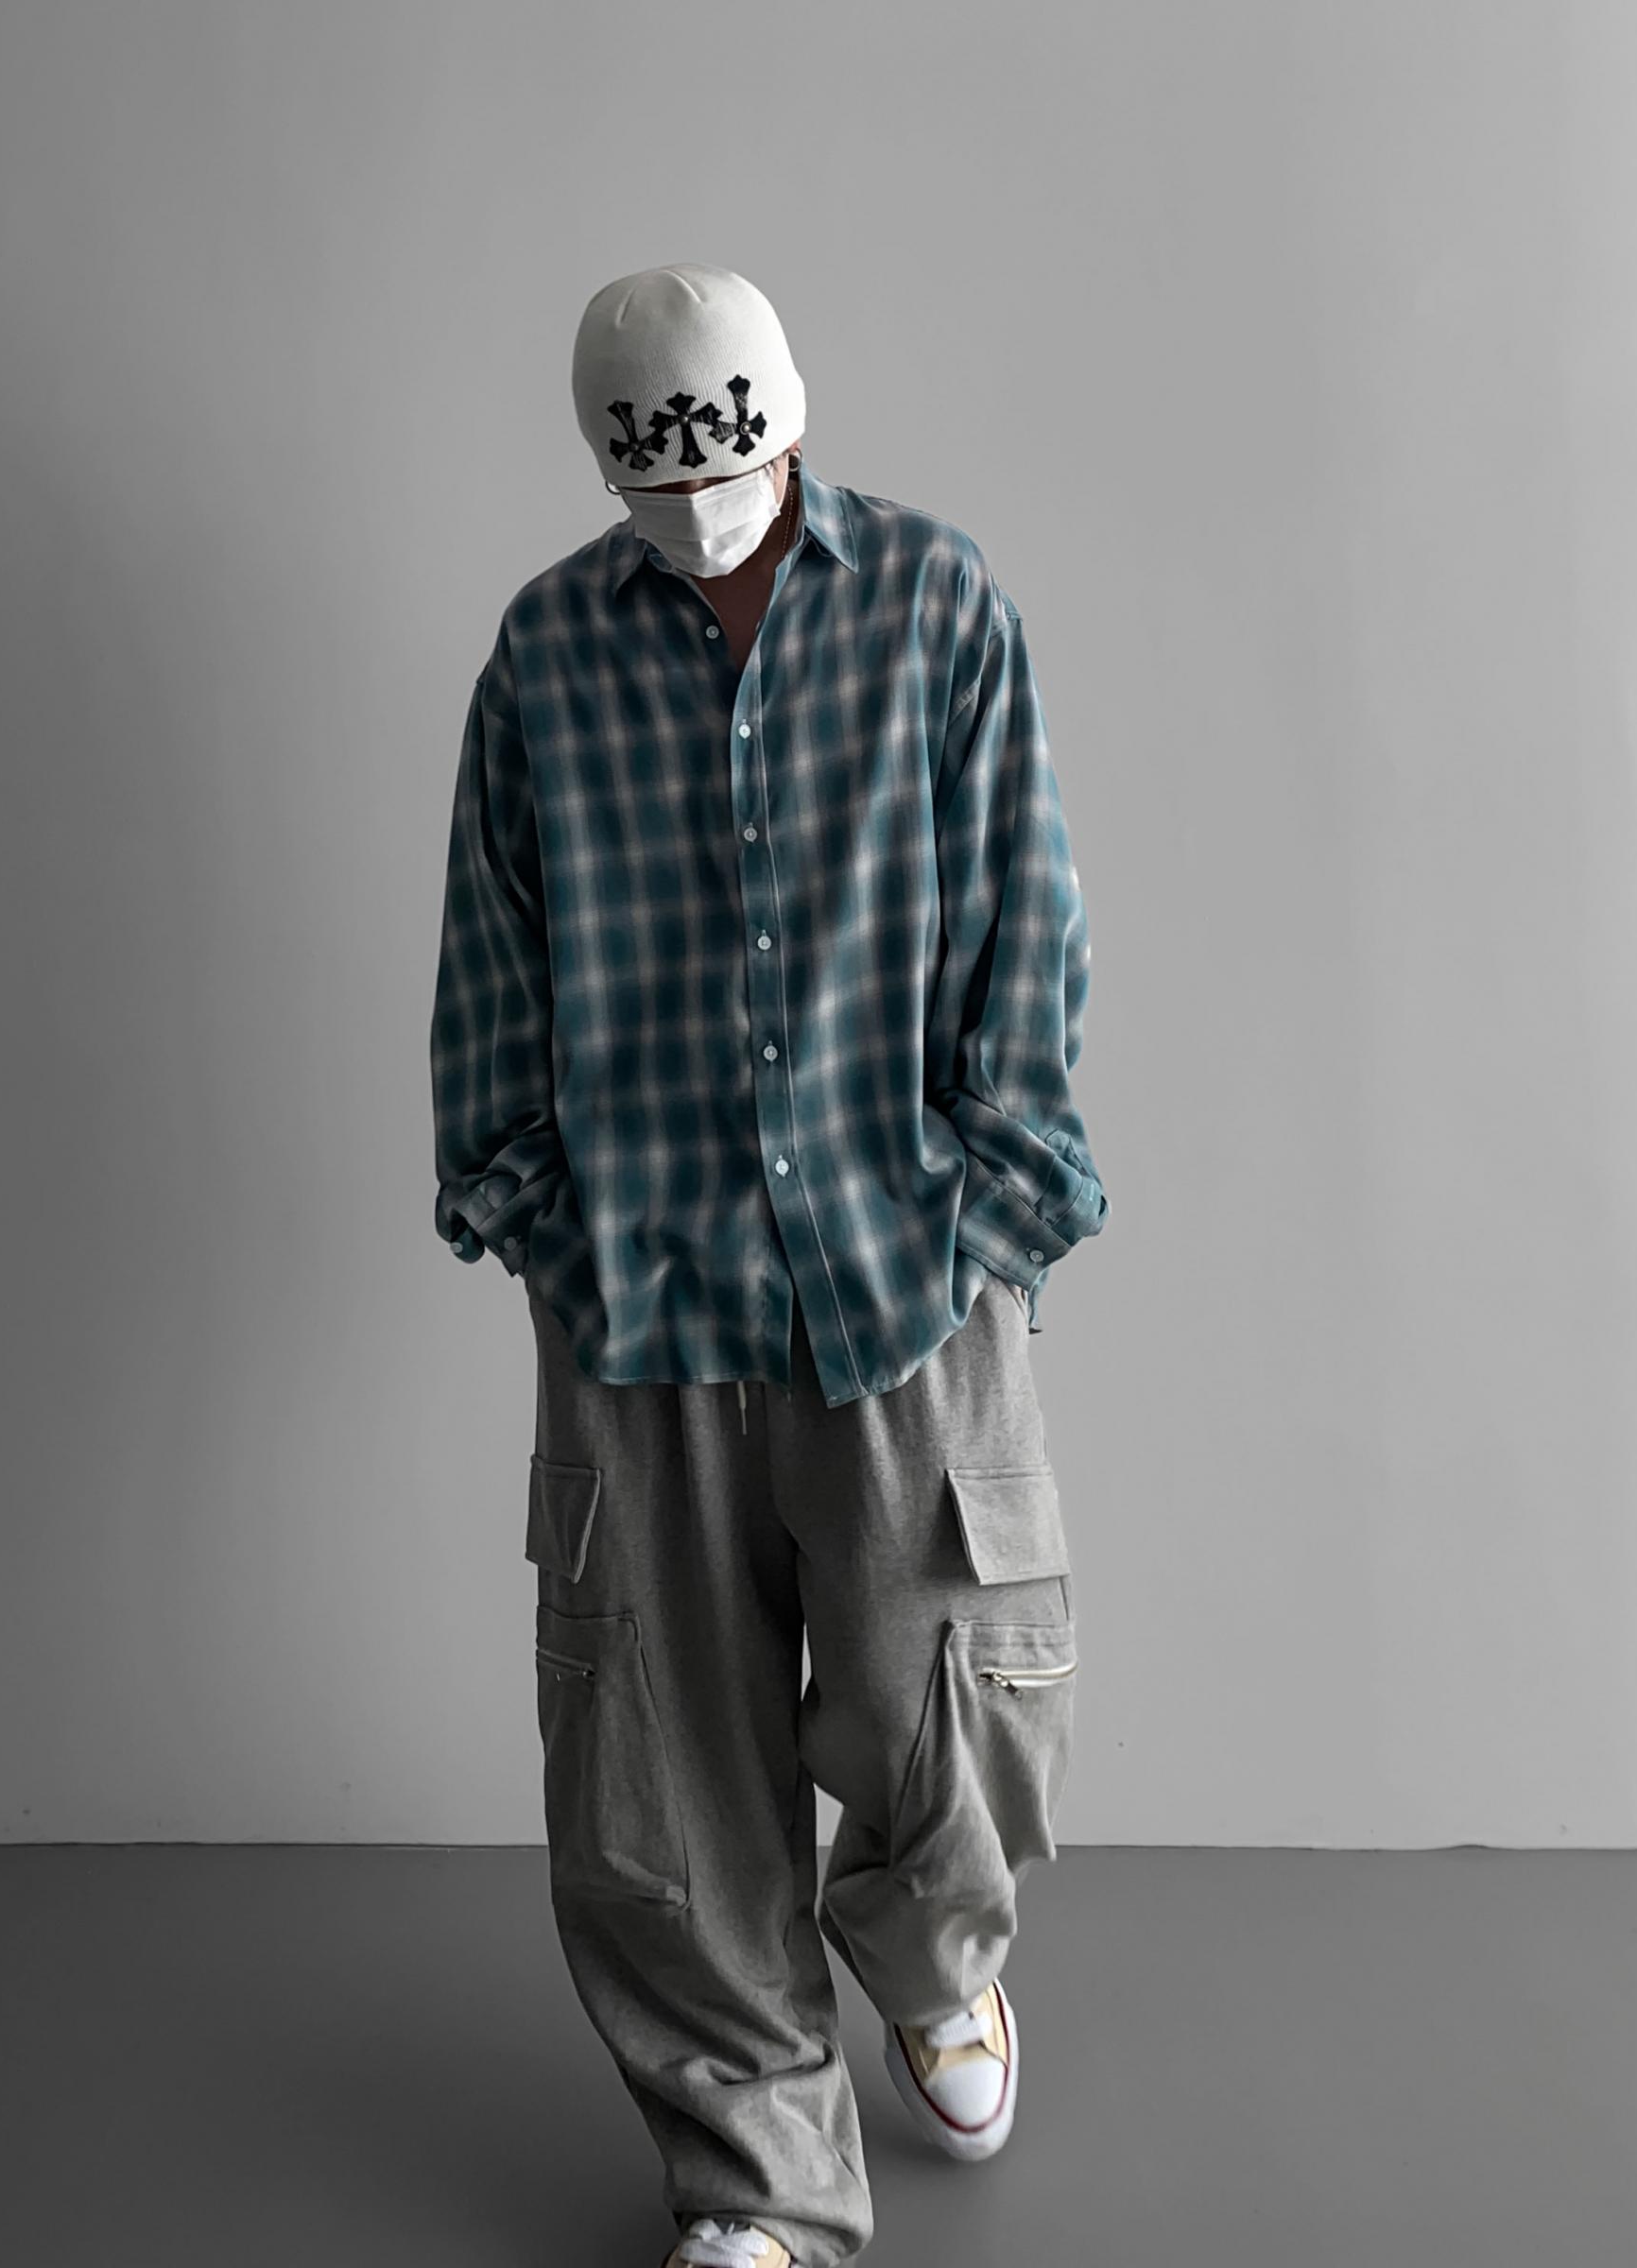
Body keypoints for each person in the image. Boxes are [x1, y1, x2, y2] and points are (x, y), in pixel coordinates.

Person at [430, 262, 1110, 2268]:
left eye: (723, 458)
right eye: (651, 478)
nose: (699, 504)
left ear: (786, 413)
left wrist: (995, 1204)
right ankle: (762, 2185)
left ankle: (934, 1953)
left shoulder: (936, 606)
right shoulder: (545, 654)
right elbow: (491, 951)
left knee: (959, 1694)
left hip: (904, 1273)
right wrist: (535, 1212)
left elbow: (1027, 916)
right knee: (657, 1776)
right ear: (606, 466)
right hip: (639, 1299)